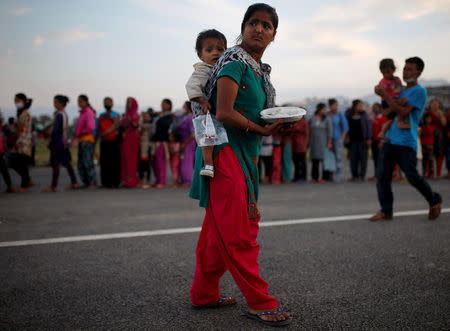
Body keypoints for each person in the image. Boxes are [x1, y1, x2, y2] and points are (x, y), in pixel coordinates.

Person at [189, 3, 292, 326]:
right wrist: (263, 129)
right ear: (244, 27)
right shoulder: (233, 62)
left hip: (244, 154)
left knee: (215, 232)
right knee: (239, 231)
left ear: (274, 35)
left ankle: (203, 294)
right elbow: (224, 112)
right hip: (223, 151)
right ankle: (261, 301)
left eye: (266, 25)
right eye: (253, 23)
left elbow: (259, 112)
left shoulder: (260, 71)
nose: (259, 29)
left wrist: (281, 123)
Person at [371, 57, 443, 221]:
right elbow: (387, 112)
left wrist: (387, 97)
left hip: (406, 141)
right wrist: (387, 97)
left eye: (410, 69)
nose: (405, 72)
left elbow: (404, 112)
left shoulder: (419, 91)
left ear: (418, 72)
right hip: (390, 139)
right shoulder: (400, 90)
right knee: (382, 177)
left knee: (411, 176)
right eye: (404, 68)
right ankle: (386, 211)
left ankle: (434, 199)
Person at [186, 29, 227, 178]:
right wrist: (202, 100)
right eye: (209, 50)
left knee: (216, 138)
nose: (215, 53)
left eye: (220, 49)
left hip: (213, 112)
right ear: (200, 55)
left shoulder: (219, 68)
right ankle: (208, 164)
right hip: (203, 112)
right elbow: (191, 86)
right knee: (207, 140)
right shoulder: (203, 69)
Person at [43, 95, 79, 192]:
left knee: (56, 165)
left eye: (56, 102)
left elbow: (55, 131)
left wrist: (50, 140)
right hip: (63, 143)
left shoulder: (59, 115)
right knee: (67, 163)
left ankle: (53, 186)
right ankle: (74, 182)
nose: (54, 104)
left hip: (58, 143)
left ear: (61, 104)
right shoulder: (64, 114)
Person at [377, 58, 409, 140]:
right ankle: (383, 132)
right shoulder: (383, 82)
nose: (386, 75)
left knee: (402, 109)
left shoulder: (397, 79)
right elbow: (383, 93)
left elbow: (401, 88)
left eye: (388, 72)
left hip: (396, 99)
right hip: (387, 101)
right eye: (383, 73)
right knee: (390, 119)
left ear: (393, 70)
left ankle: (401, 123)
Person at [10, 93, 33, 191]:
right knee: (17, 162)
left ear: (23, 101)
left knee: (16, 162)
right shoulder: (21, 112)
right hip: (21, 141)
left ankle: (25, 185)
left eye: (18, 100)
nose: (16, 102)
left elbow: (20, 129)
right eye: (15, 100)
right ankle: (27, 180)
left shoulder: (25, 113)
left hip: (23, 141)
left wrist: (13, 136)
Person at [74, 95, 97, 189]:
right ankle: (86, 182)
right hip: (81, 140)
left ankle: (92, 182)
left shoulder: (88, 112)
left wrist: (80, 133)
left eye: (80, 101)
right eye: (78, 101)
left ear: (85, 101)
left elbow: (91, 127)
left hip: (87, 140)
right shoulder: (82, 113)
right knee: (81, 163)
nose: (78, 103)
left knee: (88, 162)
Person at [346, 100, 372, 182]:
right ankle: (354, 176)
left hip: (363, 140)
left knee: (363, 159)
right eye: (360, 105)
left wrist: (369, 138)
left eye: (362, 106)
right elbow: (346, 127)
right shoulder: (349, 115)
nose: (361, 107)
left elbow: (369, 127)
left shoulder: (365, 115)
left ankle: (362, 176)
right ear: (355, 106)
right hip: (352, 141)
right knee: (353, 159)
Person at [98, 97, 121, 188]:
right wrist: (101, 134)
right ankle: (105, 182)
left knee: (114, 162)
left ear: (112, 103)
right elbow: (99, 126)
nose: (107, 104)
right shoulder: (101, 115)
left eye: (108, 102)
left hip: (113, 141)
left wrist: (106, 132)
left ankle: (115, 182)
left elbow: (115, 125)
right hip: (104, 141)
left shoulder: (116, 114)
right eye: (105, 102)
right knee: (104, 162)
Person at [151, 99, 173, 188]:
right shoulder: (160, 115)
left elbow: (167, 127)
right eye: (161, 104)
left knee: (161, 162)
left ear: (169, 105)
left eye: (164, 104)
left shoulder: (169, 116)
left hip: (162, 141)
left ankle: (162, 181)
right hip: (156, 141)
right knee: (155, 162)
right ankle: (157, 180)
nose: (162, 106)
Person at [309, 103, 332, 183]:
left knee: (324, 161)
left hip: (323, 143)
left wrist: (329, 143)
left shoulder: (327, 119)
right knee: (315, 160)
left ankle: (324, 177)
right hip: (314, 143)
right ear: (319, 109)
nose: (325, 111)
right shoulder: (312, 118)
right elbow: (309, 131)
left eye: (325, 109)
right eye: (323, 109)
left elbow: (330, 132)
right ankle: (314, 177)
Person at [120, 97, 140, 188]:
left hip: (132, 139)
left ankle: (131, 181)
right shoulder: (126, 114)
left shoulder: (135, 114)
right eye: (127, 102)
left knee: (131, 159)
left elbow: (136, 125)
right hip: (126, 138)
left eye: (130, 102)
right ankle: (125, 180)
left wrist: (129, 120)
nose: (128, 104)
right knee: (125, 158)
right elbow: (123, 125)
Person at [327, 98, 348, 182]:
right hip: (328, 140)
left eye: (337, 105)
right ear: (330, 106)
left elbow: (345, 127)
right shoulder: (327, 115)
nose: (336, 107)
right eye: (335, 105)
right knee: (330, 158)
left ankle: (339, 175)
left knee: (338, 157)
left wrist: (342, 138)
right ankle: (330, 175)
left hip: (337, 139)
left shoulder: (340, 115)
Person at [177, 101, 196, 187]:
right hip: (183, 141)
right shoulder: (183, 117)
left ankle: (188, 181)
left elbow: (193, 134)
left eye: (184, 106)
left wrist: (185, 143)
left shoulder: (190, 118)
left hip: (188, 142)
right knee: (182, 160)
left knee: (187, 161)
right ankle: (183, 179)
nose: (182, 108)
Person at [427, 99, 447, 178]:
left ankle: (438, 173)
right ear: (430, 104)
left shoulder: (442, 113)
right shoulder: (427, 113)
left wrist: (441, 115)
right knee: (429, 155)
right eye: (433, 103)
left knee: (440, 154)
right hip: (429, 136)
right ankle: (429, 173)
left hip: (440, 137)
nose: (435, 105)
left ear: (439, 105)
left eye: (436, 103)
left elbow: (444, 124)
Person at [370, 102, 388, 181]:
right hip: (374, 141)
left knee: (380, 159)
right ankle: (376, 175)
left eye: (376, 107)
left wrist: (382, 141)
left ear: (380, 108)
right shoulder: (374, 118)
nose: (374, 109)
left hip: (380, 141)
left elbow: (384, 130)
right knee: (375, 159)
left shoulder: (383, 118)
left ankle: (380, 176)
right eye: (373, 107)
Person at [292, 117, 309, 183]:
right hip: (294, 145)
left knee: (302, 162)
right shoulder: (294, 121)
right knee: (296, 162)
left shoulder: (304, 122)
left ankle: (303, 177)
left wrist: (306, 145)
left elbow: (307, 134)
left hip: (302, 145)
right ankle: (296, 177)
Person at [138, 111, 153, 189]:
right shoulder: (143, 126)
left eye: (147, 116)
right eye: (144, 116)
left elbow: (140, 125)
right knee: (141, 164)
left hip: (147, 147)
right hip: (141, 146)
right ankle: (141, 180)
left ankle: (147, 180)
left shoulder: (149, 125)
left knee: (146, 164)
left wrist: (140, 117)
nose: (145, 117)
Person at [0, 114, 14, 192]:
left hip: (1, 152)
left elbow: (7, 137)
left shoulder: (4, 128)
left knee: (4, 169)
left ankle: (9, 187)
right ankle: (9, 186)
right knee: (4, 169)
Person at [420, 112, 436, 178]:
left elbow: (434, 135)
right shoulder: (422, 127)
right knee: (424, 159)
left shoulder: (433, 127)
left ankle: (431, 173)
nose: (428, 120)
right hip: (423, 144)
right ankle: (424, 172)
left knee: (431, 159)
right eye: (427, 118)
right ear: (424, 119)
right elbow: (420, 134)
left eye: (429, 118)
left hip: (431, 145)